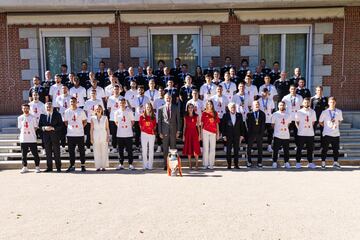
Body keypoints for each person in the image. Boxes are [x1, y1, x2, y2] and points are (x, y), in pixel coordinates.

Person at [63, 97, 87, 172]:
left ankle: (83, 165)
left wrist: (79, 127)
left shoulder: (81, 111)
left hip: (79, 134)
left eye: (74, 101)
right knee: (71, 151)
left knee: (81, 151)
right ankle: (72, 165)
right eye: (71, 101)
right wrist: (72, 128)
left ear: (77, 102)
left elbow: (85, 121)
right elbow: (66, 122)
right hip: (70, 134)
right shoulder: (67, 111)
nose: (72, 103)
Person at [158, 93, 181, 170]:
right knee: (165, 149)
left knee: (173, 149)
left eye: (169, 98)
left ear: (171, 99)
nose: (168, 99)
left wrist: (178, 131)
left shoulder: (176, 107)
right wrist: (160, 132)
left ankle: (173, 165)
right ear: (164, 99)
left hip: (173, 131)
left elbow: (178, 120)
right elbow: (159, 121)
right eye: (167, 98)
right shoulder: (161, 109)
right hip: (164, 132)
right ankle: (165, 164)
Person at [319, 97, 343, 169]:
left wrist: (336, 124)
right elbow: (320, 122)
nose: (332, 103)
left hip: (336, 133)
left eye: (333, 102)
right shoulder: (324, 112)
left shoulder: (339, 111)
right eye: (331, 102)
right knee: (325, 149)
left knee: (336, 150)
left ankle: (335, 162)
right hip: (327, 133)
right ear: (328, 103)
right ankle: (323, 163)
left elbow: (340, 120)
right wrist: (327, 126)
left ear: (335, 103)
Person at [39, 102, 63, 172]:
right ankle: (49, 167)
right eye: (47, 107)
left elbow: (61, 125)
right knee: (48, 153)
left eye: (50, 107)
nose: (48, 108)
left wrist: (53, 128)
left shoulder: (58, 115)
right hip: (46, 137)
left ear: (52, 107)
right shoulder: (42, 115)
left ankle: (58, 167)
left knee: (57, 152)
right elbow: (40, 126)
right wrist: (44, 128)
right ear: (45, 108)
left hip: (55, 136)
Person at [18, 104, 41, 173]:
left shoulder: (33, 117)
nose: (25, 110)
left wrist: (30, 132)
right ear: (22, 109)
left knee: (35, 154)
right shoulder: (20, 118)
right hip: (23, 139)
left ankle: (37, 167)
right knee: (23, 155)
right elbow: (20, 128)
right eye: (24, 108)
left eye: (27, 108)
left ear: (29, 109)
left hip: (32, 138)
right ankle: (25, 167)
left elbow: (35, 127)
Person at [295, 98, 317, 169]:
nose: (306, 103)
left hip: (310, 133)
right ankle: (298, 163)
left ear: (309, 103)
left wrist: (308, 127)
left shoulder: (313, 112)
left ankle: (310, 163)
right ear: (302, 103)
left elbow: (313, 122)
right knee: (299, 149)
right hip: (301, 133)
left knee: (310, 149)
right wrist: (300, 128)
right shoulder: (299, 112)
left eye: (308, 102)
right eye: (305, 102)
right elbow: (296, 122)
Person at [115, 98, 135, 170]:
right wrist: (121, 127)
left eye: (123, 103)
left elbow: (132, 121)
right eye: (121, 103)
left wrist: (127, 127)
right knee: (120, 150)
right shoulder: (116, 112)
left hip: (128, 133)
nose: (122, 104)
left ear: (125, 103)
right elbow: (116, 122)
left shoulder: (129, 111)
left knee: (129, 150)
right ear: (119, 103)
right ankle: (121, 164)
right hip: (120, 134)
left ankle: (130, 164)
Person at [222, 102, 245, 169]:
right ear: (229, 108)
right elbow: (223, 126)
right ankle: (229, 164)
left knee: (236, 151)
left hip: (237, 135)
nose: (233, 108)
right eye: (232, 107)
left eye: (234, 107)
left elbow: (242, 126)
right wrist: (224, 135)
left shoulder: (239, 115)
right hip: (228, 136)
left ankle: (236, 164)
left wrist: (242, 135)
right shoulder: (225, 115)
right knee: (228, 151)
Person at [271, 101, 292, 169]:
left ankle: (286, 162)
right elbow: (273, 124)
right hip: (277, 135)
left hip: (285, 135)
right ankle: (274, 162)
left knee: (286, 150)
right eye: (280, 105)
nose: (281, 106)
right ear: (278, 106)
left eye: (283, 105)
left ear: (285, 106)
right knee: (275, 150)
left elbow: (288, 124)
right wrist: (278, 130)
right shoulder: (275, 114)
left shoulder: (288, 115)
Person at [246, 100, 266, 168]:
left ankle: (259, 162)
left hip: (259, 133)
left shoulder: (262, 114)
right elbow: (248, 125)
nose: (257, 105)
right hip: (251, 133)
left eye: (258, 104)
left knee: (260, 148)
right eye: (255, 104)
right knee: (249, 148)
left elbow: (263, 125)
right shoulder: (249, 114)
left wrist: (261, 133)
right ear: (252, 105)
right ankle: (249, 162)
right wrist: (249, 133)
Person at [84, 89, 104, 154]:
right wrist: (86, 119)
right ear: (90, 94)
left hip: (97, 120)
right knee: (89, 135)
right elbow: (85, 111)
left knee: (98, 134)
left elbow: (102, 111)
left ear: (96, 94)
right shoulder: (87, 102)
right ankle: (88, 148)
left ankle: (97, 148)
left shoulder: (99, 101)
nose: (93, 94)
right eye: (92, 93)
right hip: (89, 121)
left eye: (94, 93)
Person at [201, 100, 220, 169]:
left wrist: (218, 133)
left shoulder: (215, 113)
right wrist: (201, 134)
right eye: (208, 104)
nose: (209, 105)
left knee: (212, 148)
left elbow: (217, 124)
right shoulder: (204, 113)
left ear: (212, 105)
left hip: (213, 132)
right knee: (205, 148)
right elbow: (202, 124)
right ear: (206, 105)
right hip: (205, 131)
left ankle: (211, 164)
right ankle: (205, 164)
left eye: (211, 104)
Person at [90, 105, 110, 171]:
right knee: (96, 151)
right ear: (95, 110)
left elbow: (107, 128)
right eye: (97, 109)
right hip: (95, 135)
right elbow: (91, 129)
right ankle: (98, 166)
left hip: (103, 135)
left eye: (99, 109)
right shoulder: (92, 118)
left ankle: (103, 166)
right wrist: (91, 138)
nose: (98, 110)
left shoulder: (105, 118)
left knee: (104, 150)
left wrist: (108, 136)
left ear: (101, 110)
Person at [182, 103, 201, 170]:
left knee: (196, 149)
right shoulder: (185, 116)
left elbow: (198, 126)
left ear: (193, 108)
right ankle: (190, 165)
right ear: (187, 109)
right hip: (188, 133)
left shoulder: (196, 116)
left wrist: (199, 135)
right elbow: (184, 126)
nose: (190, 109)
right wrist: (183, 136)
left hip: (195, 133)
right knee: (189, 149)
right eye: (189, 107)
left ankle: (196, 165)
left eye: (191, 107)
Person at [139, 103, 157, 170]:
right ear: (145, 108)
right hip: (144, 134)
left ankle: (150, 166)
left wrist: (150, 130)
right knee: (144, 150)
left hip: (151, 135)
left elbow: (155, 126)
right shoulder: (142, 116)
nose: (148, 108)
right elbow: (140, 126)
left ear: (151, 108)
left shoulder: (154, 116)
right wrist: (145, 130)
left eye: (149, 107)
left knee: (151, 150)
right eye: (147, 107)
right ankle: (145, 165)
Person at [133, 85, 150, 152]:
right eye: (139, 90)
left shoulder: (147, 98)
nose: (140, 91)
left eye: (142, 90)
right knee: (137, 133)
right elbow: (133, 108)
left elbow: (148, 108)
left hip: (144, 118)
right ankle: (137, 146)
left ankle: (145, 146)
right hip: (137, 118)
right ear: (137, 90)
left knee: (145, 133)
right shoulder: (135, 98)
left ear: (144, 91)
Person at [107, 84, 123, 153]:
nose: (116, 91)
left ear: (119, 90)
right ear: (113, 90)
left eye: (117, 89)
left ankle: (121, 147)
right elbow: (109, 109)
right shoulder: (110, 98)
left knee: (121, 133)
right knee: (114, 134)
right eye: (115, 89)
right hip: (113, 119)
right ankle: (114, 147)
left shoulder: (122, 98)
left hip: (121, 118)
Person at [259, 88, 275, 152]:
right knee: (260, 134)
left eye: (266, 92)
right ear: (261, 93)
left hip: (269, 119)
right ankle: (260, 146)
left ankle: (269, 146)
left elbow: (272, 110)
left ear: (268, 93)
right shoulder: (259, 100)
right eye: (263, 92)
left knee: (270, 133)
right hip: (261, 120)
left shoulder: (271, 100)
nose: (265, 94)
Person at [153, 86, 166, 153]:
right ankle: (159, 147)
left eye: (162, 91)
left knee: (166, 134)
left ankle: (166, 147)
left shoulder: (166, 99)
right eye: (159, 91)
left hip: (166, 121)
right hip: (158, 120)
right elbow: (154, 110)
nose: (161, 92)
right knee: (158, 134)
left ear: (164, 92)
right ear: (158, 92)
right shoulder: (156, 100)